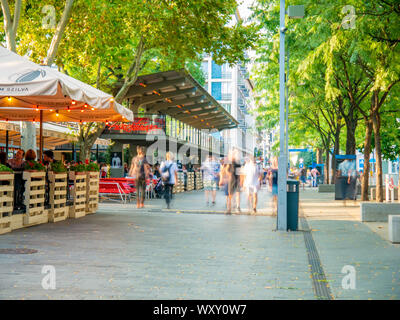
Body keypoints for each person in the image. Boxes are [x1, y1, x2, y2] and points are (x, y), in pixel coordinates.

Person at [219, 150, 242, 214]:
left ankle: (238, 207)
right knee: (229, 195)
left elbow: (239, 173)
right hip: (230, 180)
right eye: (232, 154)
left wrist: (240, 181)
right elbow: (223, 170)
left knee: (237, 194)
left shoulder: (237, 163)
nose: (233, 156)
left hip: (236, 179)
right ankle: (229, 209)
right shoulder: (227, 162)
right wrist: (222, 179)